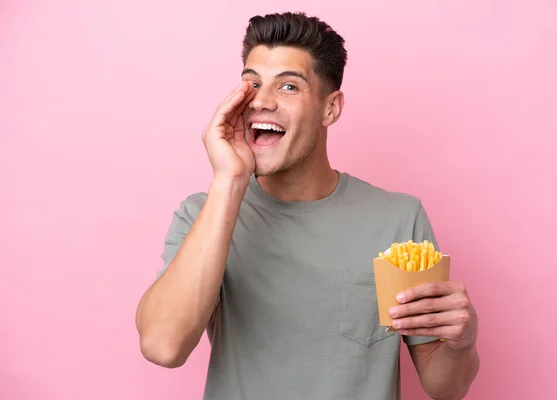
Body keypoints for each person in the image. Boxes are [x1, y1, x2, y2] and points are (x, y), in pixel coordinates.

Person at [135, 12, 479, 400]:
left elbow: (444, 387)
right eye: (252, 83)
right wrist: (230, 180)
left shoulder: (399, 218)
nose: (261, 101)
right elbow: (163, 347)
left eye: (288, 86)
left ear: (330, 109)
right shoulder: (204, 213)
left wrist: (461, 344)